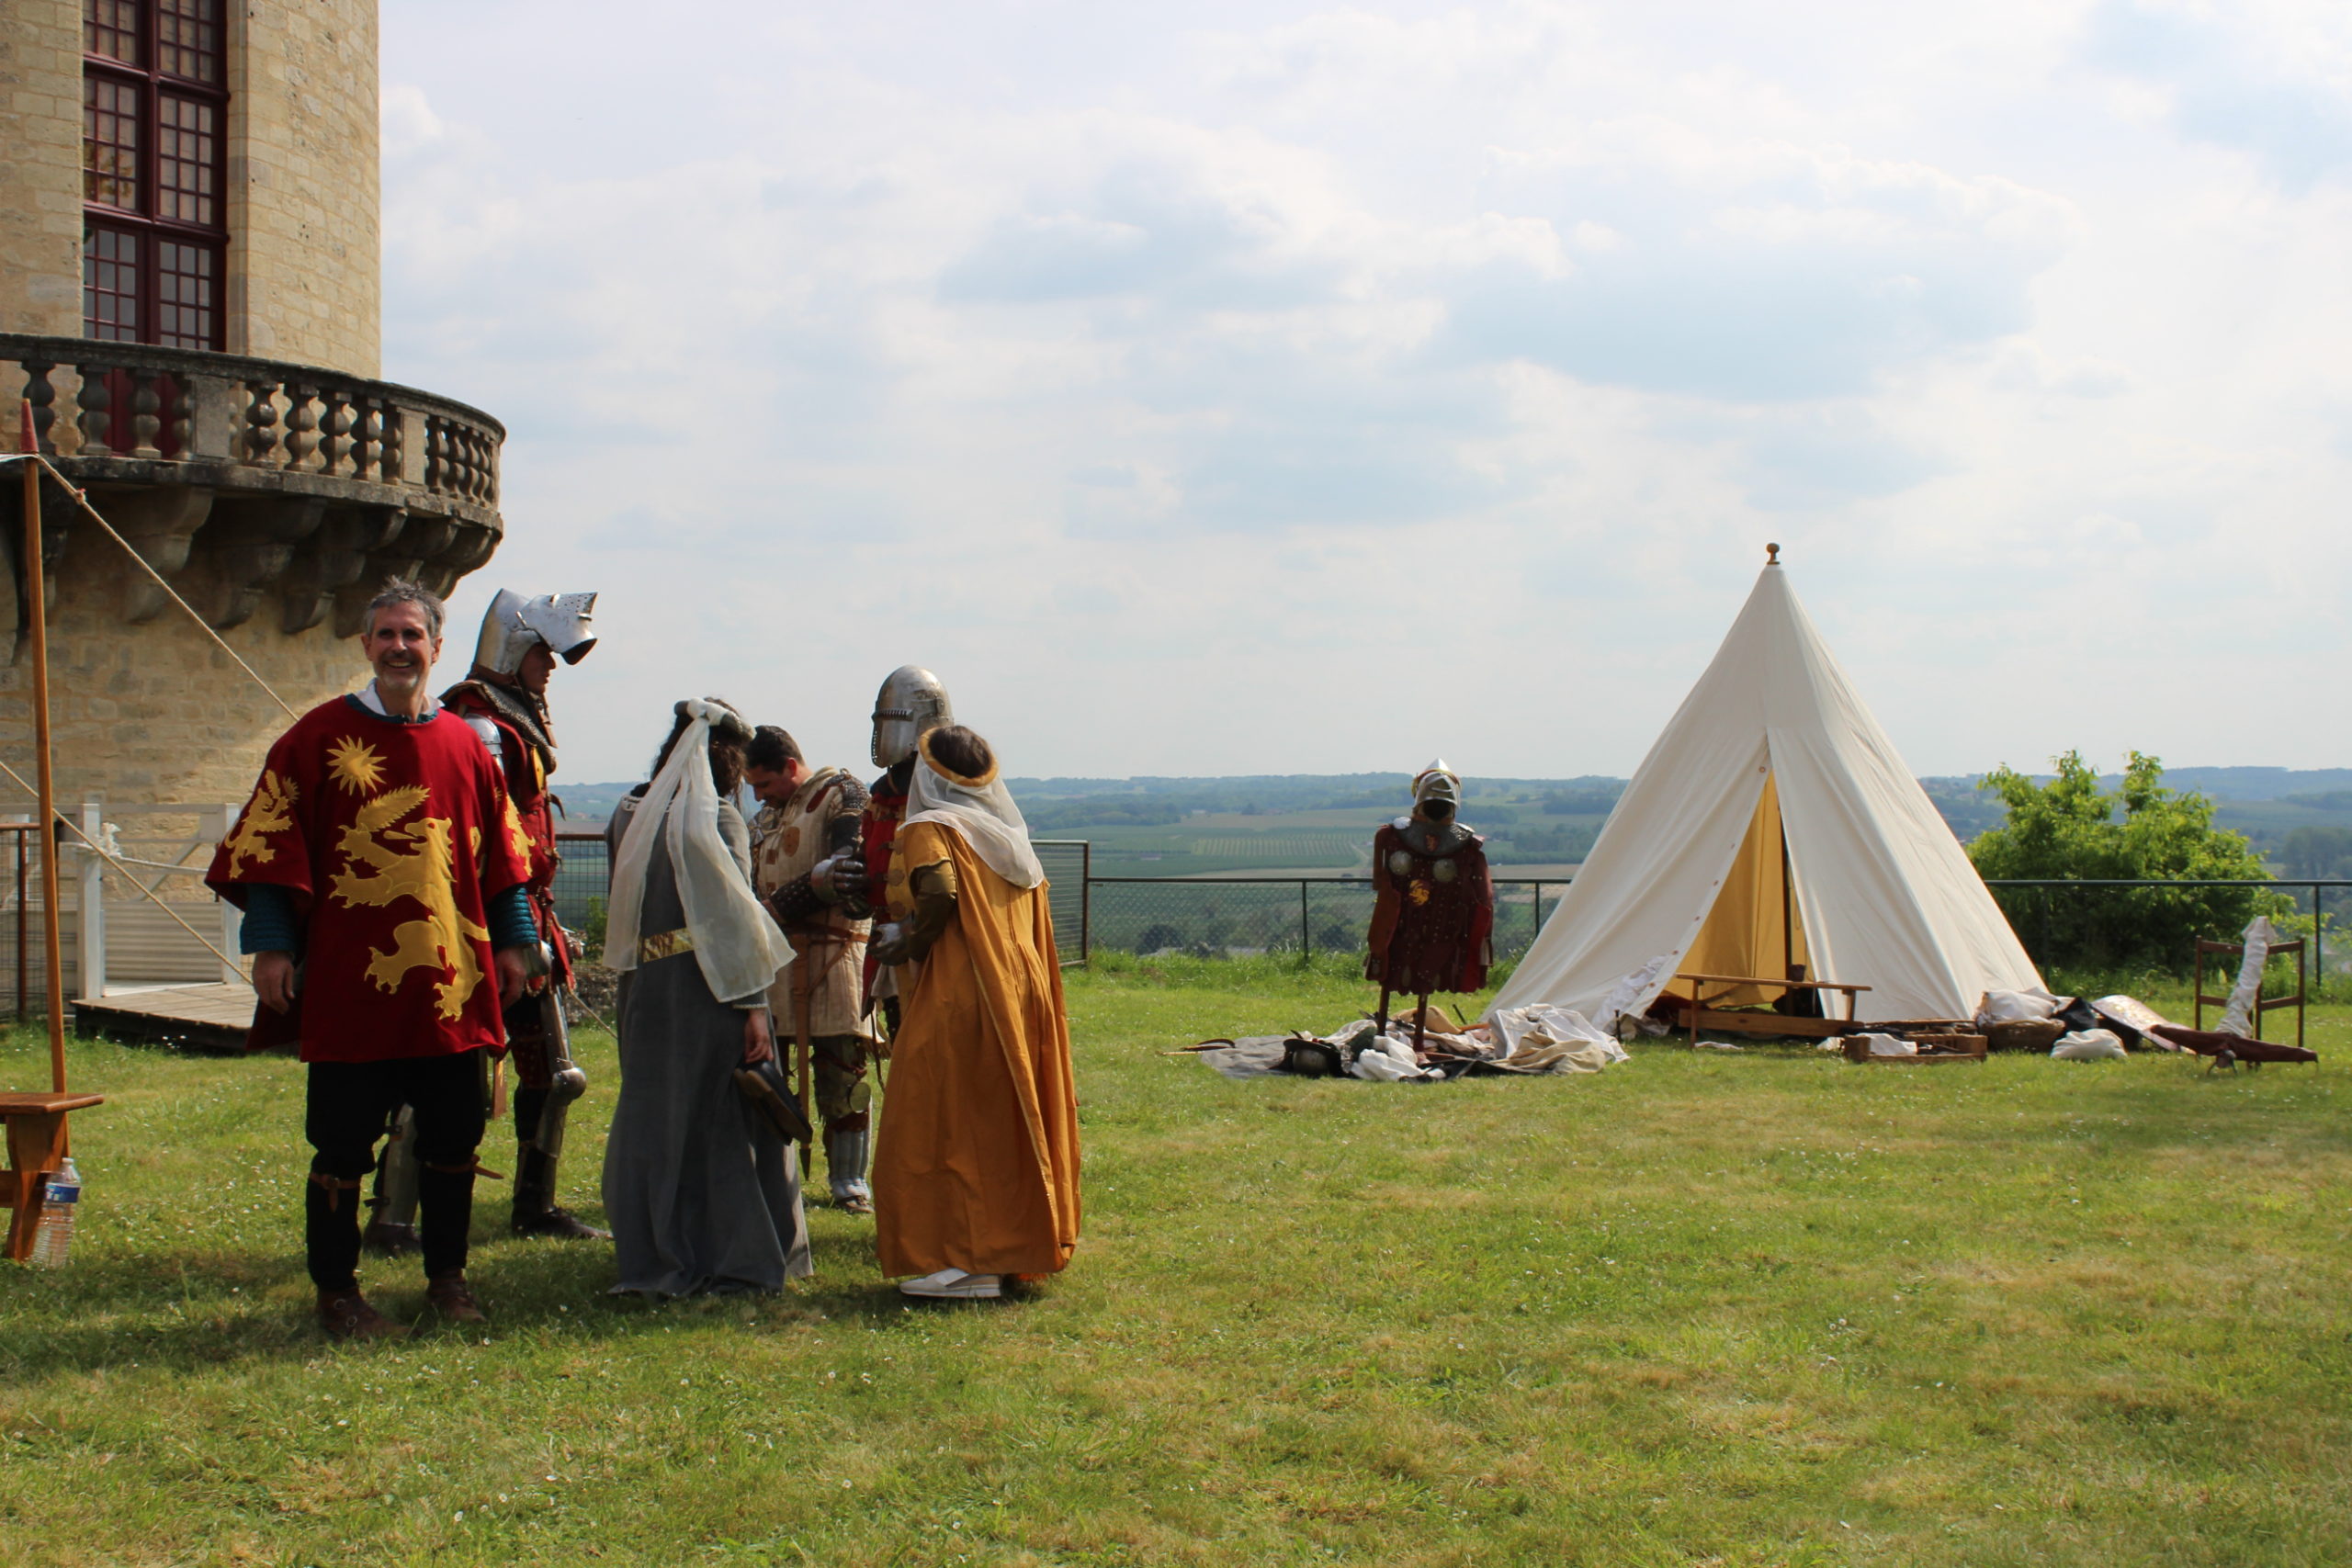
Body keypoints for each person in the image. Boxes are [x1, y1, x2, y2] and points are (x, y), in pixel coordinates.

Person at [205, 579, 537, 1340]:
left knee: (455, 1136)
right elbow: (270, 846)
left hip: (449, 985)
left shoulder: (464, 745)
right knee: (342, 1141)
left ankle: (448, 1278)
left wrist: (514, 941)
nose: (398, 648)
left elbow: (504, 858)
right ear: (365, 646)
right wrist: (270, 947)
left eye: (411, 636)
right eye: (385, 635)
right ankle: (337, 1292)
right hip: (352, 982)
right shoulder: (314, 739)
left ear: (435, 648)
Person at [368, 590, 605, 1252]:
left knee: (555, 1075)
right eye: (542, 655)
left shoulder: (510, 718)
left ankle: (535, 1202)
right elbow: (475, 838)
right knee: (445, 1073)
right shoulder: (478, 725)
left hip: (528, 915)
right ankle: (393, 1217)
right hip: (481, 922)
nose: (550, 667)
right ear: (514, 651)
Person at [600, 699, 810, 1295]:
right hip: (710, 984)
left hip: (644, 986)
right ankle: (735, 1253)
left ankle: (657, 1248)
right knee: (723, 1123)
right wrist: (753, 1008)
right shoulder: (718, 819)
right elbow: (737, 923)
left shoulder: (627, 813)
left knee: (657, 1118)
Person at [869, 725, 1080, 1301]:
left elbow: (937, 891)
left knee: (941, 1121)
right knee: (1006, 1120)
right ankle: (1010, 1247)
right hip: (1021, 990)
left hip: (961, 993)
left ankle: (965, 1261)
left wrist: (906, 937)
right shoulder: (1010, 836)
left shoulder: (930, 827)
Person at [745, 726, 876, 1213]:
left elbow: (848, 869)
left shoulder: (842, 794)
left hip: (834, 957)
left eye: (763, 783)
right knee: (768, 1070)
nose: (758, 795)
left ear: (788, 766)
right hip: (776, 961)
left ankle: (848, 1182)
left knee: (844, 1071)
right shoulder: (767, 816)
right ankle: (773, 1173)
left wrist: (777, 906)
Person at [842, 667, 955, 1037]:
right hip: (892, 953)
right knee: (906, 1057)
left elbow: (961, 883)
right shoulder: (882, 793)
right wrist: (853, 886)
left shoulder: (953, 790)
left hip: (944, 951)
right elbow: (873, 867)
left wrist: (911, 928)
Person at [1364, 760, 1495, 1048]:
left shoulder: (1466, 844)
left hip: (1440, 922)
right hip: (1402, 920)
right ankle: (1388, 1037)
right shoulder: (1391, 836)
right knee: (1394, 971)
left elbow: (1480, 895)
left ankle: (1415, 1041)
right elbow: (1380, 881)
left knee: (1426, 976)